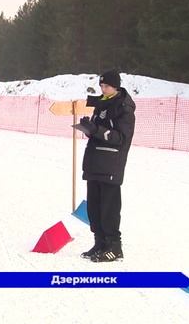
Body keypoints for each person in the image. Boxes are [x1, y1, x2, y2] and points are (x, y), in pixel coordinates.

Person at [76, 69, 136, 262]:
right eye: (101, 86)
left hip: (111, 163)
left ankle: (114, 247)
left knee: (109, 207)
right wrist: (89, 128)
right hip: (94, 161)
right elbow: (97, 129)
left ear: (116, 86)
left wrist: (98, 130)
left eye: (107, 86)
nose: (103, 89)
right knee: (94, 206)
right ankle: (99, 242)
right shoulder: (101, 104)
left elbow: (121, 137)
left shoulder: (124, 108)